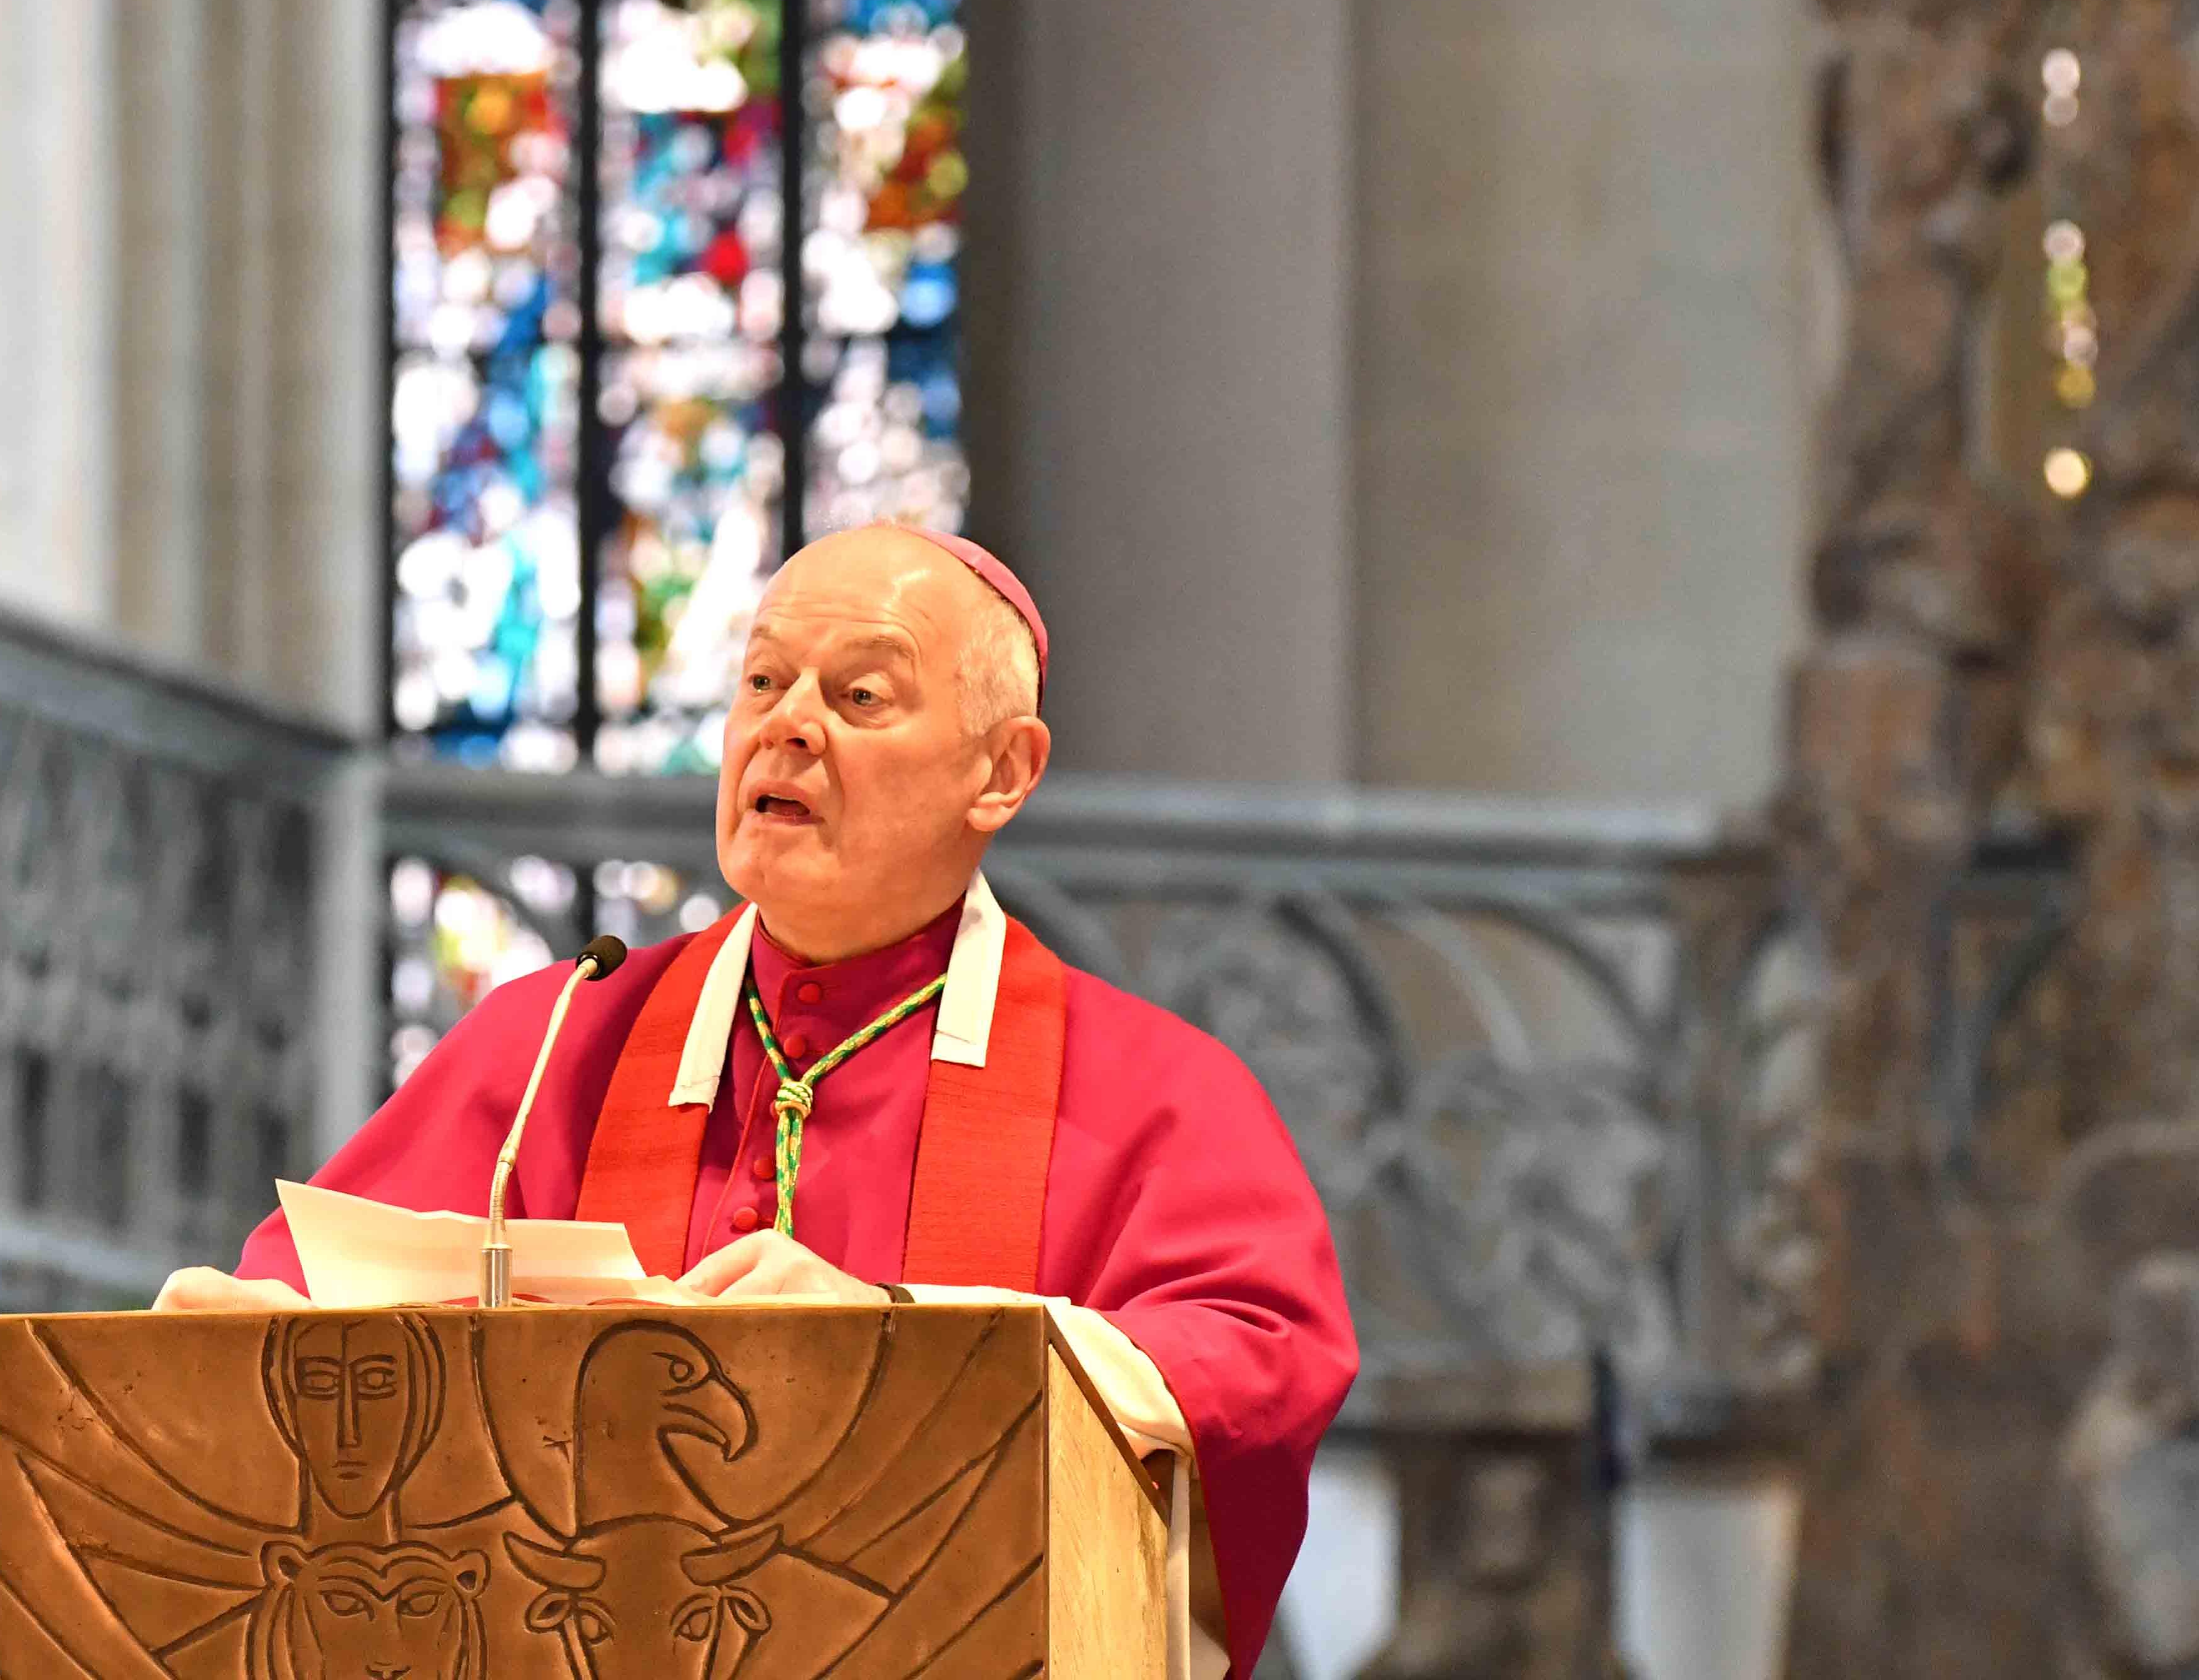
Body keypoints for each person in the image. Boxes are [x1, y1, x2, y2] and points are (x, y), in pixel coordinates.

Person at [157, 522, 1358, 1680]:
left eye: (861, 696)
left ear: (1002, 771)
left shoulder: (1150, 1091)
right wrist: (229, 1347)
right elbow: (307, 1292)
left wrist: (895, 1338)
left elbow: (1258, 1362)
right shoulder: (561, 1035)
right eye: (765, 682)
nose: (787, 725)